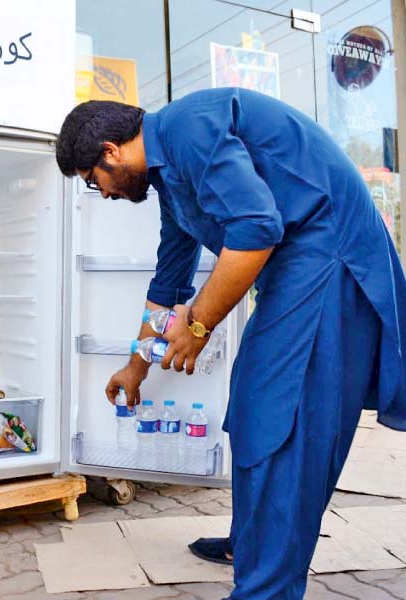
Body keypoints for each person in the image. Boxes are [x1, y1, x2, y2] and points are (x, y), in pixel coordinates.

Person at [55, 88, 406, 600]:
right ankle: (251, 543)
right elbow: (168, 285)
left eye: (94, 181)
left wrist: (198, 327)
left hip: (330, 262)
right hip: (296, 267)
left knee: (284, 421)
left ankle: (268, 587)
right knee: (250, 406)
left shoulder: (186, 128)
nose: (102, 193)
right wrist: (136, 366)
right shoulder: (169, 179)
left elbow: (257, 228)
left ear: (111, 151)